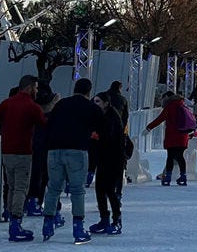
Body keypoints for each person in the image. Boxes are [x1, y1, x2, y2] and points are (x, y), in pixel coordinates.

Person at [40, 79, 105, 241]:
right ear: (89, 92)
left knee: (53, 188)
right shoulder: (92, 107)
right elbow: (102, 127)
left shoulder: (61, 104)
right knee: (77, 190)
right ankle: (78, 228)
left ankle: (47, 224)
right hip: (77, 151)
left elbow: (48, 124)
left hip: (54, 151)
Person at [0, 77, 46, 241]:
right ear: (30, 87)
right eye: (36, 88)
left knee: (11, 186)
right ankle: (16, 223)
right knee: (20, 188)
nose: (37, 91)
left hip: (6, 151)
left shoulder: (7, 103)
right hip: (23, 152)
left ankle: (11, 215)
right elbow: (44, 123)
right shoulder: (32, 107)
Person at [90, 102, 131, 234]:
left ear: (106, 103)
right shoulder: (100, 118)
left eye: (98, 101)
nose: (95, 104)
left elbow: (111, 139)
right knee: (100, 190)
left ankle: (116, 220)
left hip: (114, 160)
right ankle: (104, 218)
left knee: (110, 190)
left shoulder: (113, 120)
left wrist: (97, 137)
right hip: (102, 160)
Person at [147, 92, 196, 187]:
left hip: (172, 135)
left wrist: (149, 127)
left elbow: (160, 118)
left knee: (170, 156)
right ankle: (183, 176)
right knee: (180, 157)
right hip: (183, 135)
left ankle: (168, 176)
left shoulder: (170, 106)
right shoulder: (183, 105)